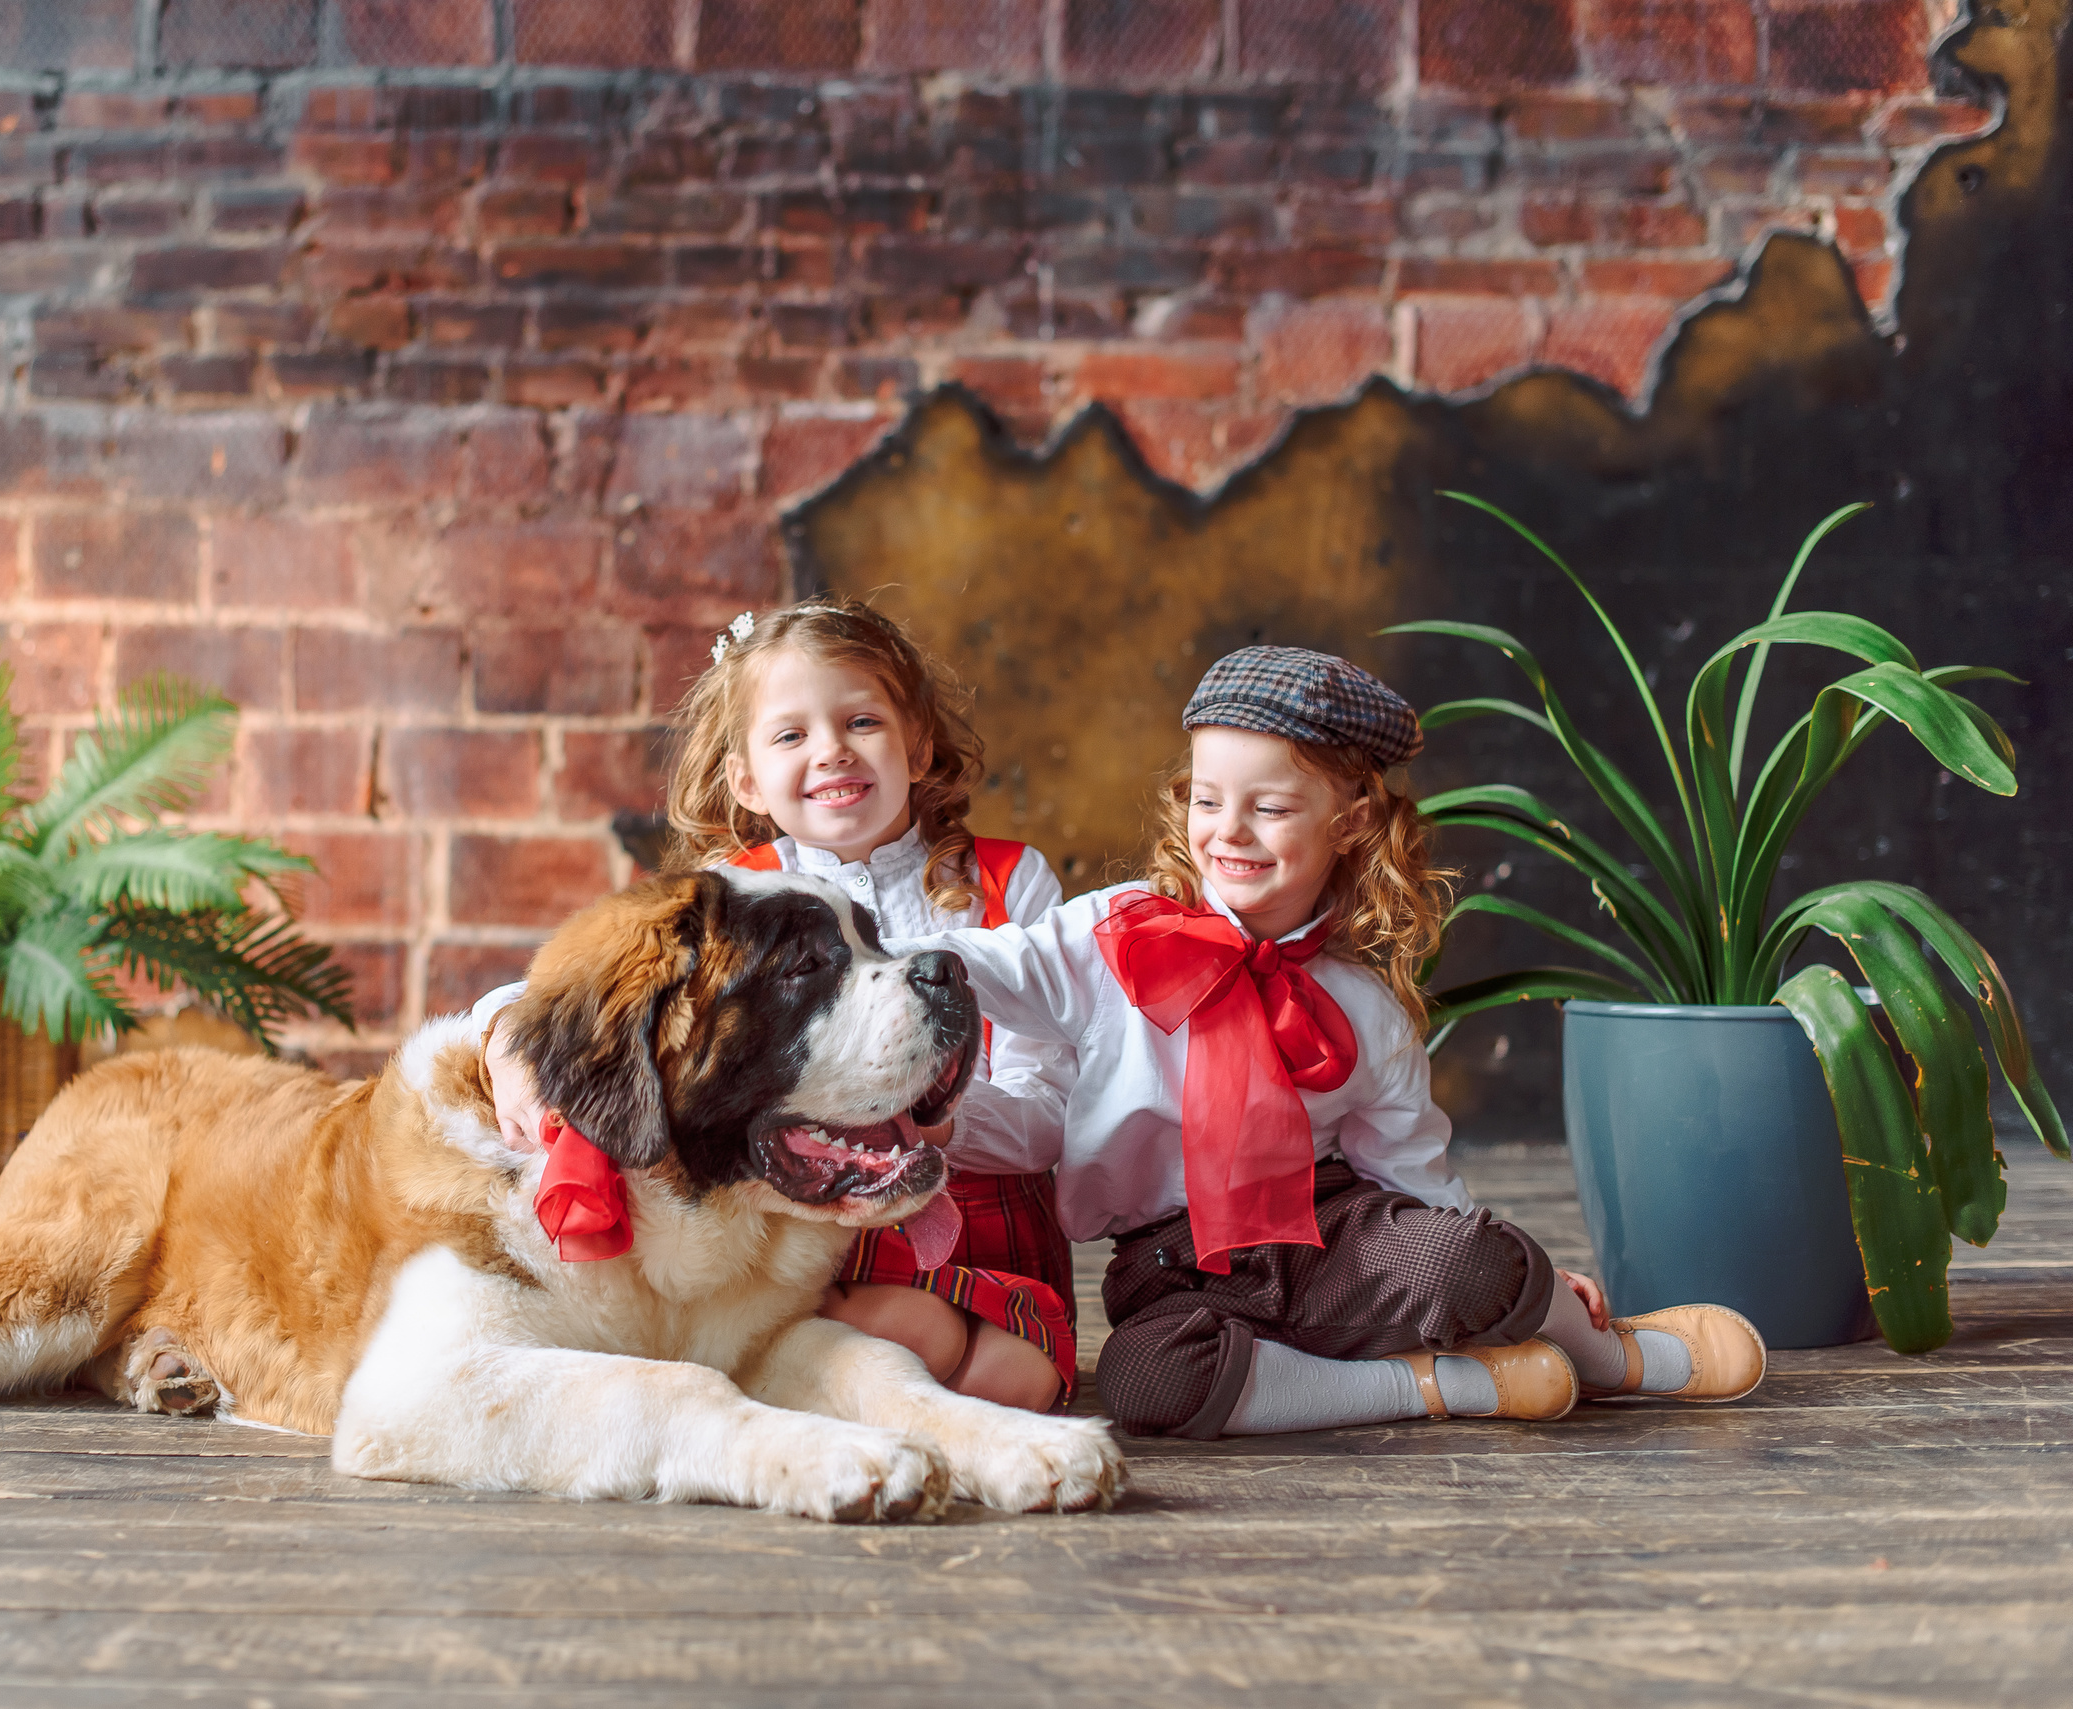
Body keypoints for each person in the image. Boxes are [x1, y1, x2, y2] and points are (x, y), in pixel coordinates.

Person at [903, 645, 1766, 1436]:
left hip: (1330, 1238)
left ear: (1350, 819)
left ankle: (1608, 1357)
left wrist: (1507, 1275)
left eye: (1269, 807)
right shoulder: (1112, 936)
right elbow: (988, 963)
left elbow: (1410, 1167)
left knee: (1466, 1256)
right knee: (1147, 1386)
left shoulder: (1362, 1003)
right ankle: (1447, 1384)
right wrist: (868, 962)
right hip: (1173, 1266)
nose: (1228, 831)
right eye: (1207, 800)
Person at [481, 597, 1076, 1412]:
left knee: (1021, 1379)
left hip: (975, 1214)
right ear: (747, 779)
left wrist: (940, 1123)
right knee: (892, 1334)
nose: (832, 750)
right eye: (792, 734)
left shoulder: (1011, 882)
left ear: (919, 744)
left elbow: (1054, 1104)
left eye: (862, 720)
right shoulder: (737, 893)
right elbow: (598, 982)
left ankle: (842, 1374)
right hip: (800, 1230)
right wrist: (500, 1038)